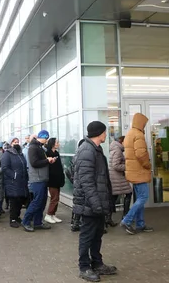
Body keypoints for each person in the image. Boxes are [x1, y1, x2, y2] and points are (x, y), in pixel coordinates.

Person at [73, 121, 117, 282]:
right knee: (87, 235)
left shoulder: (95, 150)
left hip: (96, 203)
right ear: (99, 133)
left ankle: (97, 263)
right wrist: (96, 204)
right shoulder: (87, 150)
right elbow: (86, 182)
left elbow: (101, 180)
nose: (106, 135)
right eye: (105, 132)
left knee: (97, 235)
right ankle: (84, 267)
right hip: (89, 204)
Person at [121, 113, 153, 235]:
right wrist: (148, 165)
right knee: (143, 197)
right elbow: (141, 154)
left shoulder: (129, 133)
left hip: (133, 172)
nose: (144, 126)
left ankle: (140, 224)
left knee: (139, 198)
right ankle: (127, 220)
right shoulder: (138, 135)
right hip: (139, 172)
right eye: (144, 124)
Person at [22, 130, 55, 232]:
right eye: (46, 138)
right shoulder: (33, 148)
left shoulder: (39, 147)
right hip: (37, 179)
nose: (47, 141)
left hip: (42, 178)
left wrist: (48, 160)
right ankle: (26, 221)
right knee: (36, 202)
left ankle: (38, 222)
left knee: (41, 202)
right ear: (44, 137)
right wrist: (47, 160)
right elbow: (34, 163)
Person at [0, 137, 29, 228]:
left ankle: (17, 217)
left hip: (21, 182)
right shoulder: (7, 154)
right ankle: (12, 219)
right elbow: (5, 168)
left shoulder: (20, 154)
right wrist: (14, 175)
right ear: (10, 143)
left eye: (17, 142)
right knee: (14, 201)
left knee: (20, 201)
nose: (16, 143)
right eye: (14, 142)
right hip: (12, 182)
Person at [108, 136, 131, 226]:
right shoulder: (118, 151)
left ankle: (108, 218)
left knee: (113, 197)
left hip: (114, 177)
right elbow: (116, 165)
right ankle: (125, 216)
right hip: (118, 178)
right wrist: (127, 166)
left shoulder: (114, 148)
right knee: (128, 193)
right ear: (122, 142)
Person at [44, 137, 65, 225]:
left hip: (58, 179)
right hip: (52, 180)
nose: (58, 144)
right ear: (53, 143)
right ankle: (48, 214)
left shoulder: (56, 153)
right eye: (57, 142)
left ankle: (53, 214)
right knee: (54, 198)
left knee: (57, 198)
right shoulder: (47, 153)